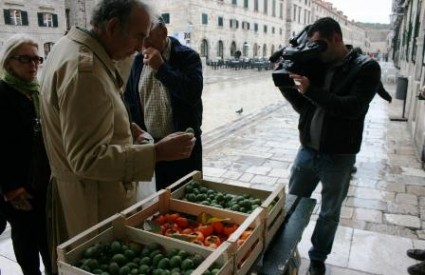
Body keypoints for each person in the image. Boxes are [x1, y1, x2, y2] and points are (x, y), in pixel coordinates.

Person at [39, 0, 195, 271]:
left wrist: (122, 128)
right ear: (112, 27)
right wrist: (156, 152)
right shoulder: (84, 70)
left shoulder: (70, 47)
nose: (139, 47)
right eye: (138, 36)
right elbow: (87, 159)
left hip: (86, 195)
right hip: (92, 204)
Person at [278, 17, 381, 275]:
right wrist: (286, 80)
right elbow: (305, 106)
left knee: (329, 213)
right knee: (293, 205)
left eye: (320, 44)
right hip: (307, 151)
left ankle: (318, 258)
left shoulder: (366, 67)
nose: (316, 50)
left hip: (339, 157)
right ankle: (285, 251)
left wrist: (311, 90)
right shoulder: (318, 63)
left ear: (336, 38)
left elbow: (351, 108)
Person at [124, 16, 203, 190]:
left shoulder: (187, 57)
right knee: (157, 204)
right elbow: (130, 100)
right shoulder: (137, 61)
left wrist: (161, 67)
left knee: (186, 201)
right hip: (152, 149)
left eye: (149, 37)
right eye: (140, 37)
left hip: (183, 149)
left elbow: (192, 93)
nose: (143, 44)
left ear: (164, 32)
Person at [0, 34, 53, 275]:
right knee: (26, 244)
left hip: (42, 182)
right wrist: (10, 187)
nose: (33, 65)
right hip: (17, 188)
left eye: (37, 59)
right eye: (25, 59)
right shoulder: (3, 93)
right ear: (8, 62)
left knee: (48, 240)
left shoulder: (37, 91)